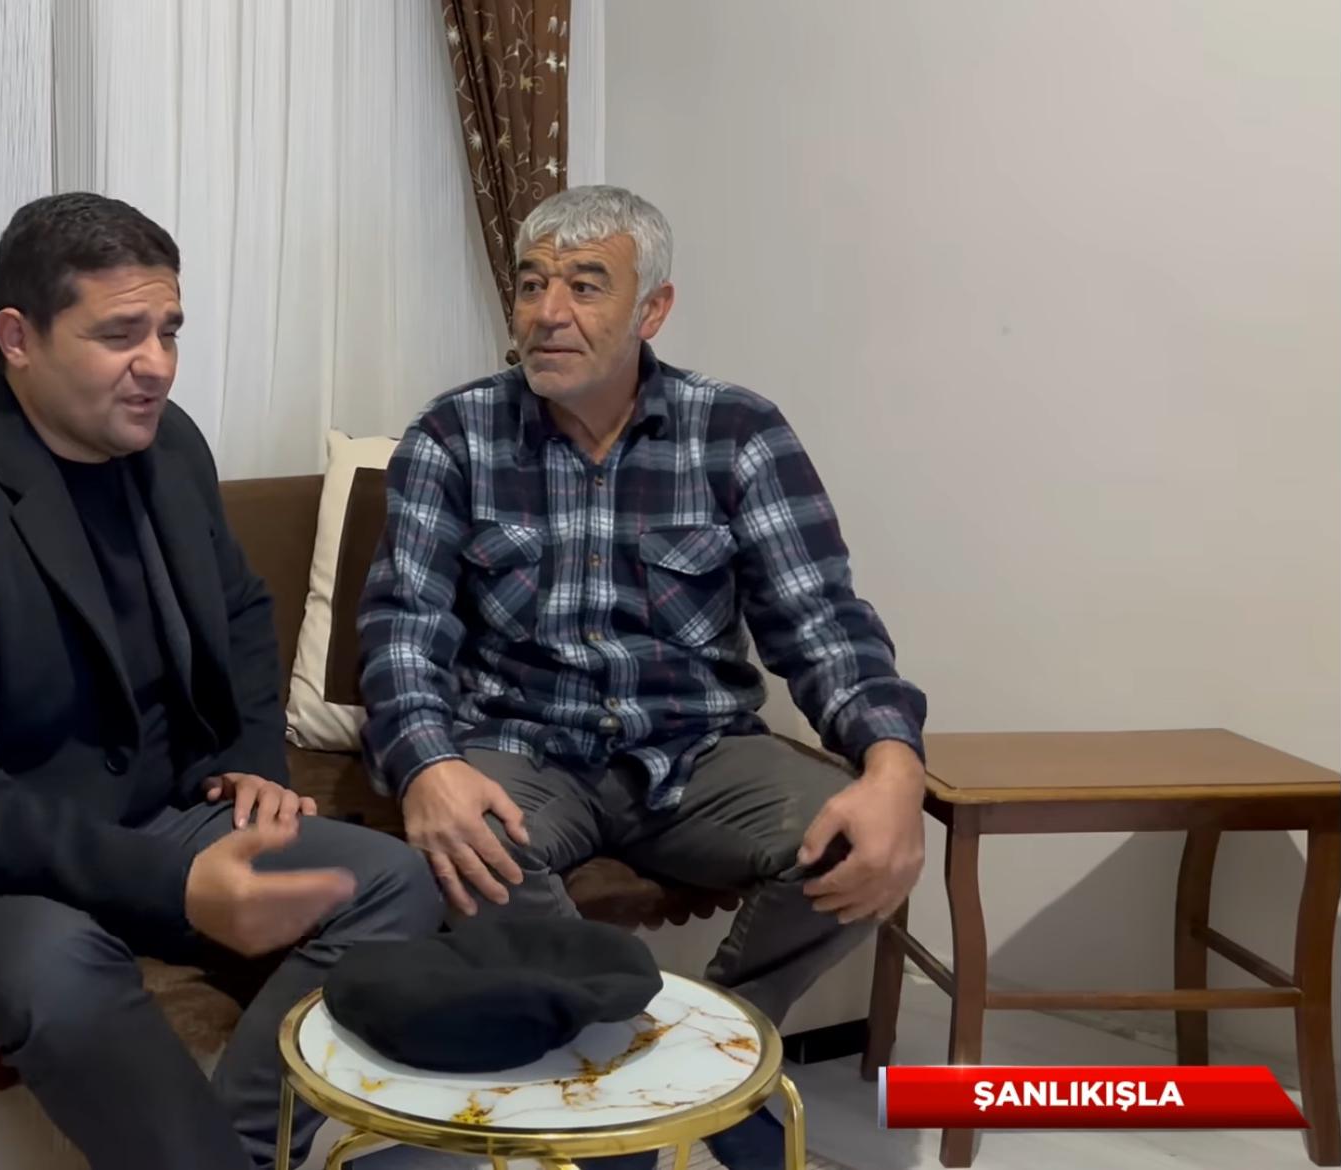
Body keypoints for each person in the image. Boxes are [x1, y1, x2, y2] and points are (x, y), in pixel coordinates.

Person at [0, 192, 442, 1170]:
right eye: (119, 334)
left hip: (159, 807)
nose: (156, 363)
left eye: (168, 330)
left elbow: (241, 609)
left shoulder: (169, 442)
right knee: (59, 966)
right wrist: (177, 883)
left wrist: (251, 757)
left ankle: (241, 1148)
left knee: (392, 882)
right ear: (17, 338)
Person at [355, 185, 929, 1170]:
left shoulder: (736, 432)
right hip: (523, 744)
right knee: (467, 845)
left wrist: (892, 762)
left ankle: (703, 1062)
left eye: (585, 286)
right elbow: (402, 630)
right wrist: (425, 764)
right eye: (530, 285)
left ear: (651, 310)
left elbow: (820, 621)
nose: (547, 312)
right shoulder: (454, 437)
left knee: (856, 836)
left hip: (697, 750)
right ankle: (618, 1075)